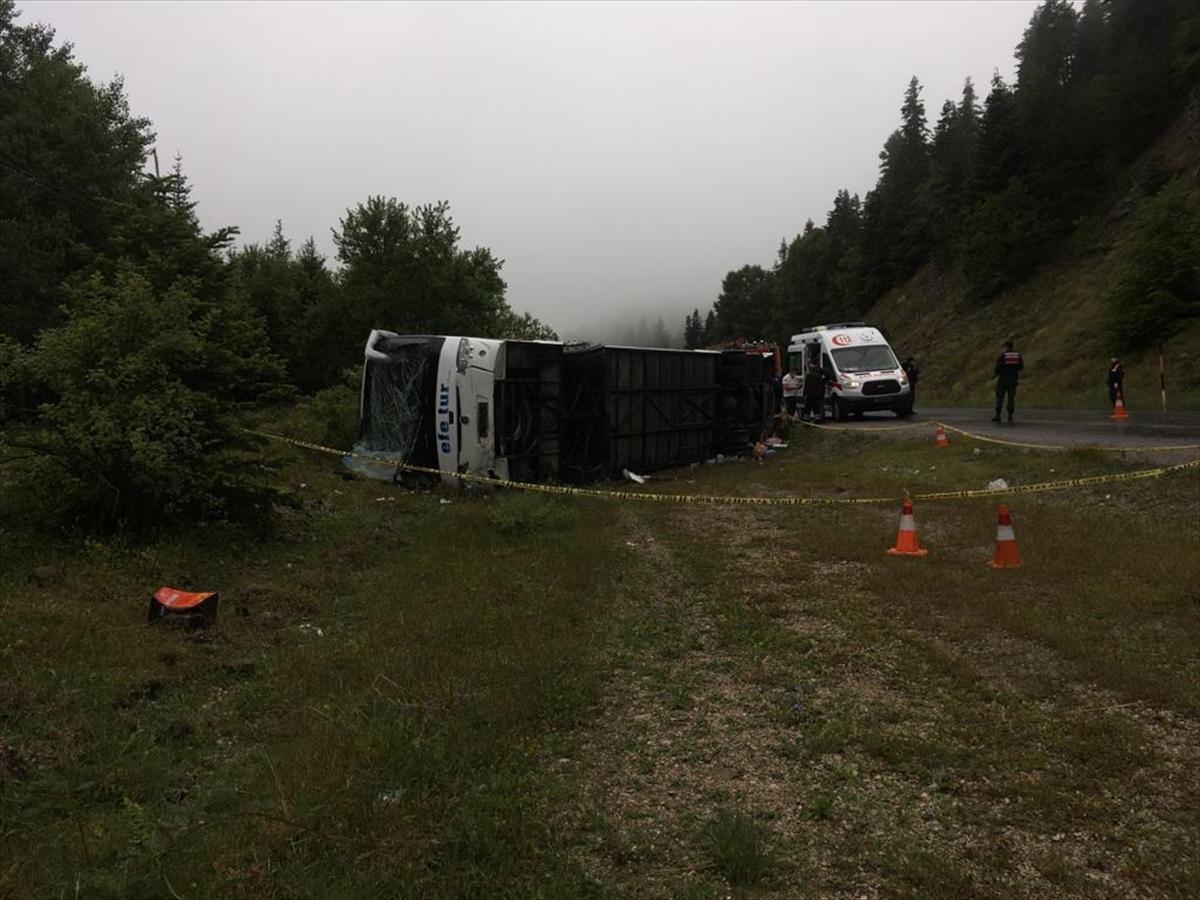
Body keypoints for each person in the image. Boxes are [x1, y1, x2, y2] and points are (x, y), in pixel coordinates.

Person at [992, 339, 1024, 422]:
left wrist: (997, 373)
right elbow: (1021, 367)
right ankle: (1010, 415)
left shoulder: (1003, 356)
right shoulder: (1018, 355)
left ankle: (998, 415)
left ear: (1006, 347)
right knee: (1011, 397)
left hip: (1003, 379)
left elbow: (998, 368)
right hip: (1013, 379)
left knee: (1000, 397)